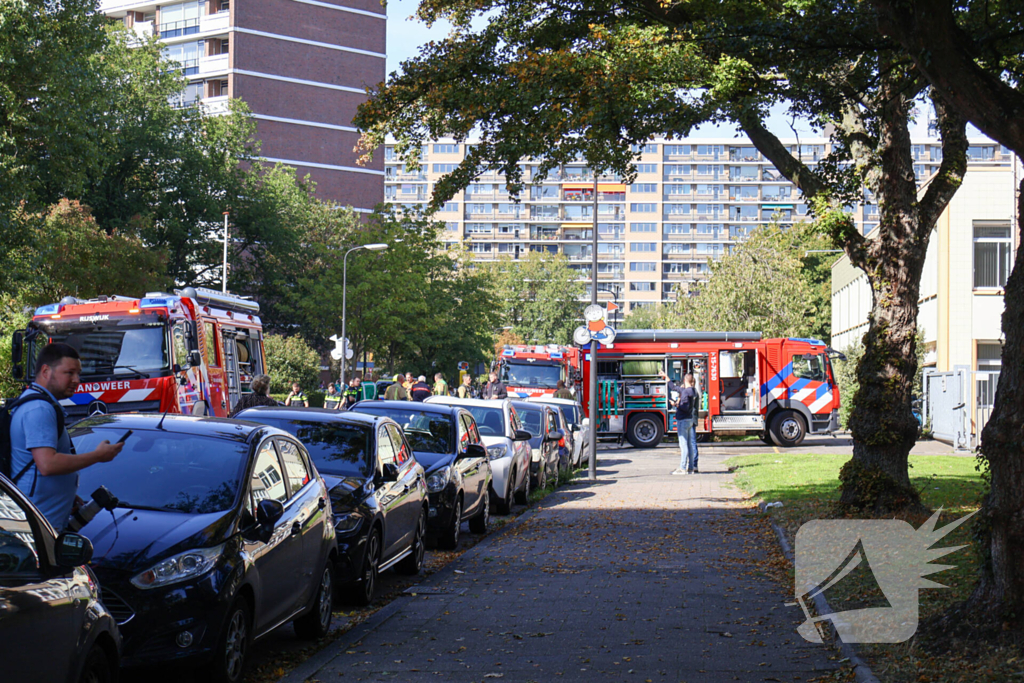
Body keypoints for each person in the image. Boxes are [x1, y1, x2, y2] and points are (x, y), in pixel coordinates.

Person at [9, 343, 124, 531]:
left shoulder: (37, 402)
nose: (76, 380)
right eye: (69, 373)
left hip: (39, 520)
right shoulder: (39, 408)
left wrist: (65, 496)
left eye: (78, 374)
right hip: (36, 526)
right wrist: (98, 456)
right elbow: (48, 464)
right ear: (45, 371)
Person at [666, 372, 699, 475]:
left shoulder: (685, 393)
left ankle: (682, 468)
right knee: (690, 445)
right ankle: (691, 468)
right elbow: (674, 387)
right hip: (689, 420)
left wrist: (675, 404)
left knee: (683, 445)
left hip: (683, 420)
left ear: (685, 380)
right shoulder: (693, 391)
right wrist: (667, 377)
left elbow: (684, 407)